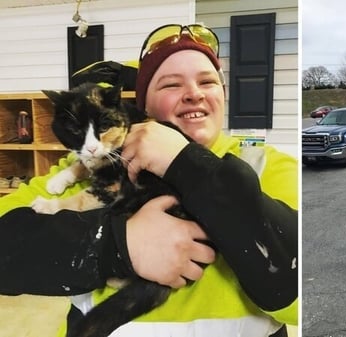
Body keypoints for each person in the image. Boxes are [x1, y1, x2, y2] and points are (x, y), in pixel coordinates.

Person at [0, 23, 297, 336]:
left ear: (223, 95)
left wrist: (185, 161)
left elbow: (297, 292)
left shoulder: (266, 165)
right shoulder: (91, 162)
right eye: (171, 85)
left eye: (207, 81)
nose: (194, 94)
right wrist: (115, 245)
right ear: (143, 104)